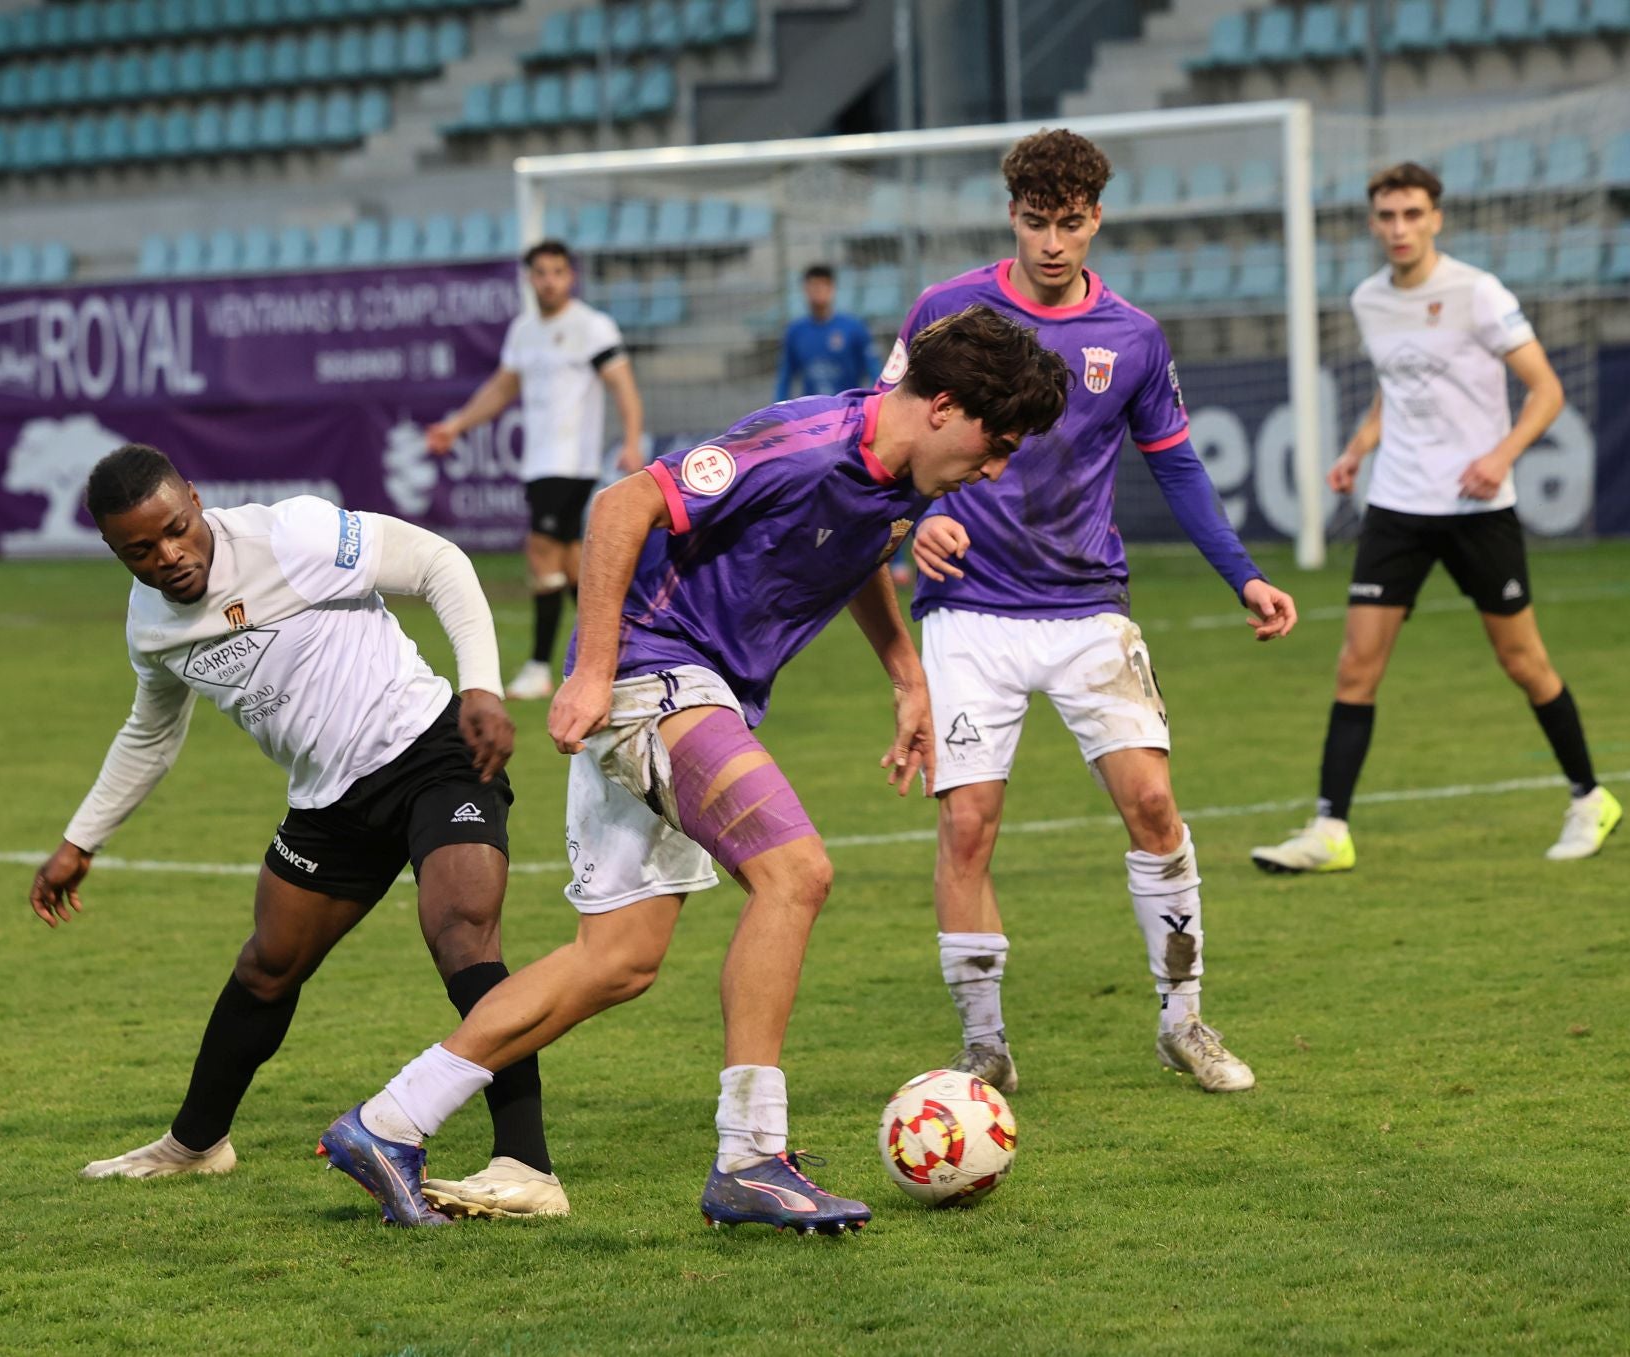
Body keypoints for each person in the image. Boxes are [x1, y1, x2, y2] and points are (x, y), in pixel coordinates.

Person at [315, 304, 1072, 1232]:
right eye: (996, 444)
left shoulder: (905, 469)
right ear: (946, 408)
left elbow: (864, 547)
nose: (996, 468)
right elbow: (622, 502)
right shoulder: (801, 442)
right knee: (795, 872)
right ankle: (751, 1155)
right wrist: (591, 671)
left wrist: (906, 677)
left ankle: (388, 1122)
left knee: (617, 960)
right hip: (650, 672)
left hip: (687, 686)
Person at [30, 446, 567, 1221]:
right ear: (114, 551)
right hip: (329, 803)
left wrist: (480, 688)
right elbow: (150, 734)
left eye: (177, 530)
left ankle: (527, 1165)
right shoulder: (150, 624)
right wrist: (81, 841)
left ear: (195, 497)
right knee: (268, 966)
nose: (168, 556)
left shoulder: (293, 535)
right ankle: (196, 1144)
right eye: (139, 551)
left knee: (462, 933)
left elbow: (440, 564)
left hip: (431, 751)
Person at [887, 129, 1298, 1098]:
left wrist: (1242, 573)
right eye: (1036, 223)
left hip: (1085, 608)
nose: (1052, 244)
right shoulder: (946, 313)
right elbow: (885, 438)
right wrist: (918, 523)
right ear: (1012, 216)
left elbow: (1178, 466)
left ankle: (1184, 1022)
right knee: (968, 826)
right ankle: (984, 1045)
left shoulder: (1134, 337)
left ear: (1097, 218)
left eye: (1070, 224)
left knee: (1154, 805)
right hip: (967, 612)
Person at [1250, 162, 1621, 874]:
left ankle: (1589, 797)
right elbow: (1397, 390)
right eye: (1387, 216)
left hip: (1478, 508)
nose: (1399, 229)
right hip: (1397, 505)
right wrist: (1359, 449)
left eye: (1412, 215)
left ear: (1436, 219)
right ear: (1373, 222)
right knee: (1356, 664)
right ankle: (1330, 830)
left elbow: (1546, 391)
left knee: (1523, 661)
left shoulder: (1478, 293)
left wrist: (1500, 455)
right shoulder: (1368, 300)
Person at [426, 239, 646, 702]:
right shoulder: (524, 331)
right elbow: (502, 387)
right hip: (539, 464)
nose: (550, 280)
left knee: (540, 550)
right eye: (541, 272)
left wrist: (630, 441)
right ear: (530, 278)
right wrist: (457, 425)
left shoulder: (591, 326)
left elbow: (623, 384)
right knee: (567, 564)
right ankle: (621, 651)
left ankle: (540, 666)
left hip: (571, 463)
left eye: (559, 272)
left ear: (571, 277)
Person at [774, 264, 879, 402]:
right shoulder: (795, 331)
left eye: (823, 285)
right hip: (812, 413)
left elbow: (874, 371)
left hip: (848, 411)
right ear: (805, 290)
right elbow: (785, 377)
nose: (818, 291)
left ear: (832, 288)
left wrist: (875, 406)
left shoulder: (854, 327)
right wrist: (778, 411)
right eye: (813, 286)